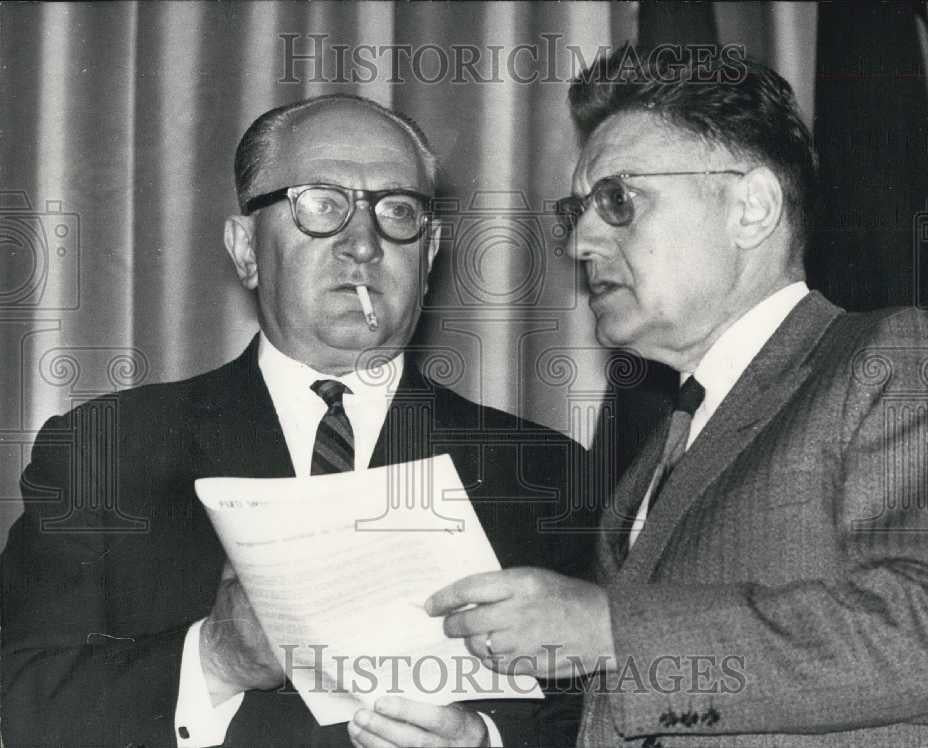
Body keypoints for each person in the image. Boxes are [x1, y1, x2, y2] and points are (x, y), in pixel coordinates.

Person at [426, 46, 928, 746]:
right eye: (577, 209)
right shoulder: (658, 458)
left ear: (750, 208)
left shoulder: (892, 362)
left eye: (617, 200)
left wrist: (608, 630)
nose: (580, 241)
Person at [1, 94, 594, 748]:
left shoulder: (546, 471)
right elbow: (25, 703)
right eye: (320, 204)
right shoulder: (107, 449)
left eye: (398, 210)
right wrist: (218, 658)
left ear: (428, 258)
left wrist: (483, 743)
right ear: (246, 247)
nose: (363, 244)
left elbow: (607, 711)